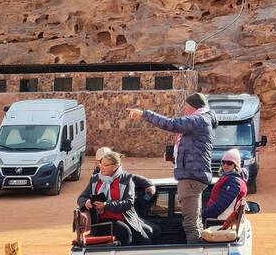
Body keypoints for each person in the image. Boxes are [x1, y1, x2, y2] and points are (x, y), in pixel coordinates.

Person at [128, 93, 216, 245]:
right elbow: (194, 149)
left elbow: (172, 124)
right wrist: (177, 158)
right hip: (193, 175)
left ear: (193, 107)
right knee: (194, 222)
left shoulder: (199, 120)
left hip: (191, 178)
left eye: (186, 107)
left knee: (191, 224)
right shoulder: (203, 120)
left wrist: (144, 114)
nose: (185, 110)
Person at [76, 148, 153, 246]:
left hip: (126, 218)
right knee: (124, 231)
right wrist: (86, 202)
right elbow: (81, 198)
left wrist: (106, 205)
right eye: (101, 164)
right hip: (102, 220)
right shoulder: (95, 179)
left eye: (106, 165)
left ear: (116, 166)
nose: (102, 167)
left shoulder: (126, 179)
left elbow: (129, 203)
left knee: (145, 240)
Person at [203, 148, 248, 224]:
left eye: (229, 163)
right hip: (220, 218)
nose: (225, 165)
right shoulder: (231, 179)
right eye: (223, 162)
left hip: (220, 221)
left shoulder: (234, 182)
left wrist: (202, 214)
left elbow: (221, 206)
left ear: (236, 165)